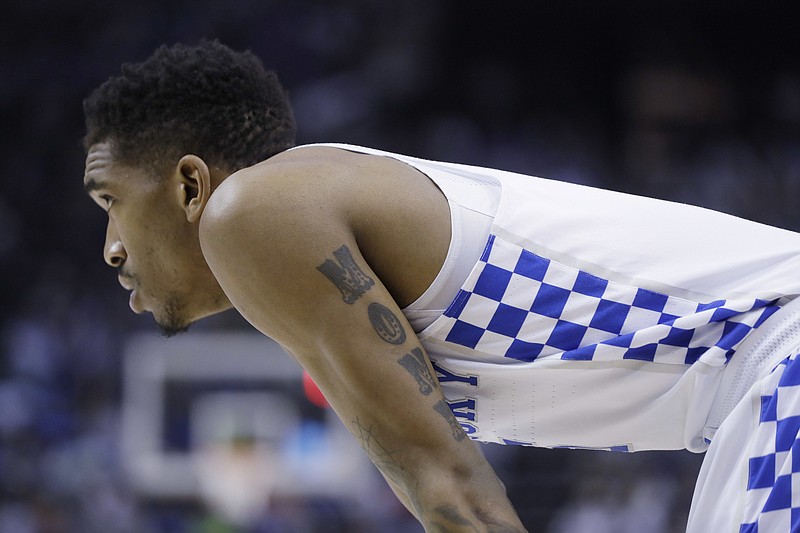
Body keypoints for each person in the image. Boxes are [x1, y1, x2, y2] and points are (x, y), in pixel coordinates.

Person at [82, 41, 800, 533]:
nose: (111, 247)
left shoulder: (250, 214)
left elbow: (456, 496)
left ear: (189, 183)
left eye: (109, 200)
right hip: (752, 393)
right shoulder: (305, 246)